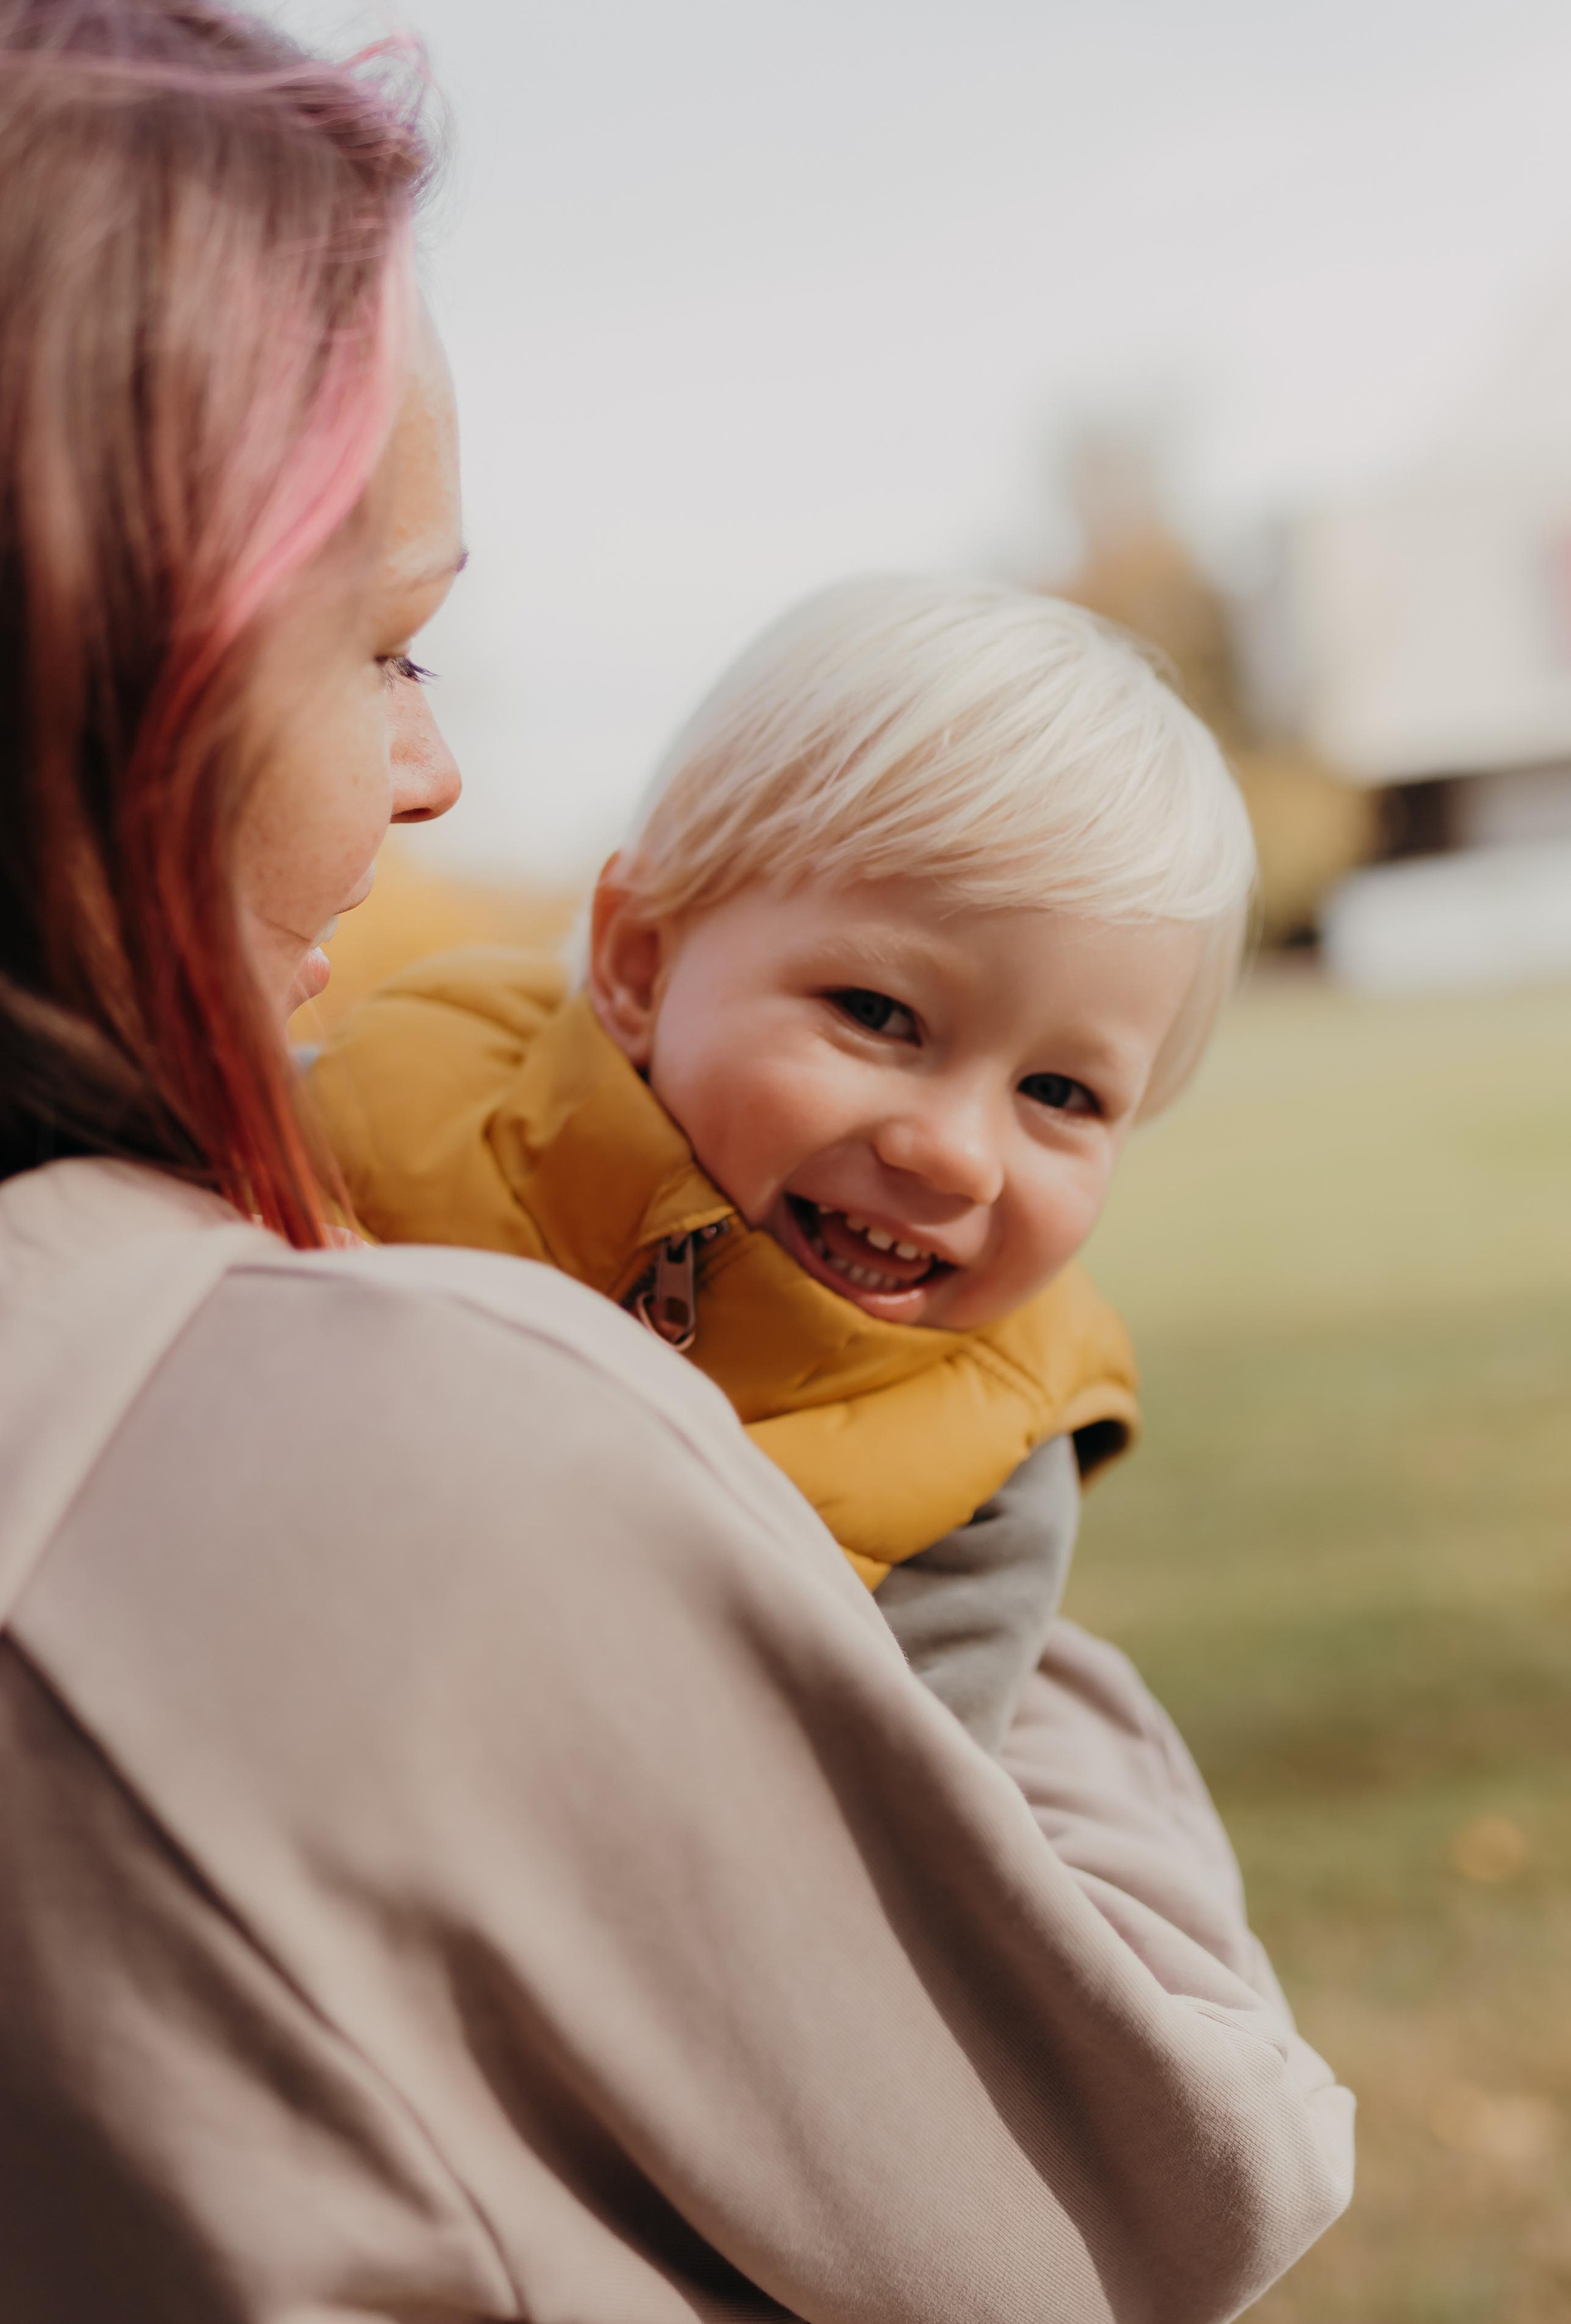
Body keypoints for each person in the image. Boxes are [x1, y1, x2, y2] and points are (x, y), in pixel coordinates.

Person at [0, 0, 1353, 2324]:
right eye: (386, 647)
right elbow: (1137, 2188)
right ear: (117, 658)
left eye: (1070, 1090)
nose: (431, 769)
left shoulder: (976, 1450)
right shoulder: (380, 1407)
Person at [307, 577, 1254, 1752]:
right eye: (877, 1012)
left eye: (1060, 1094)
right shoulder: (388, 1094)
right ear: (641, 966)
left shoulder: (987, 1464)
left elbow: (871, 1839)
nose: (955, 1155)